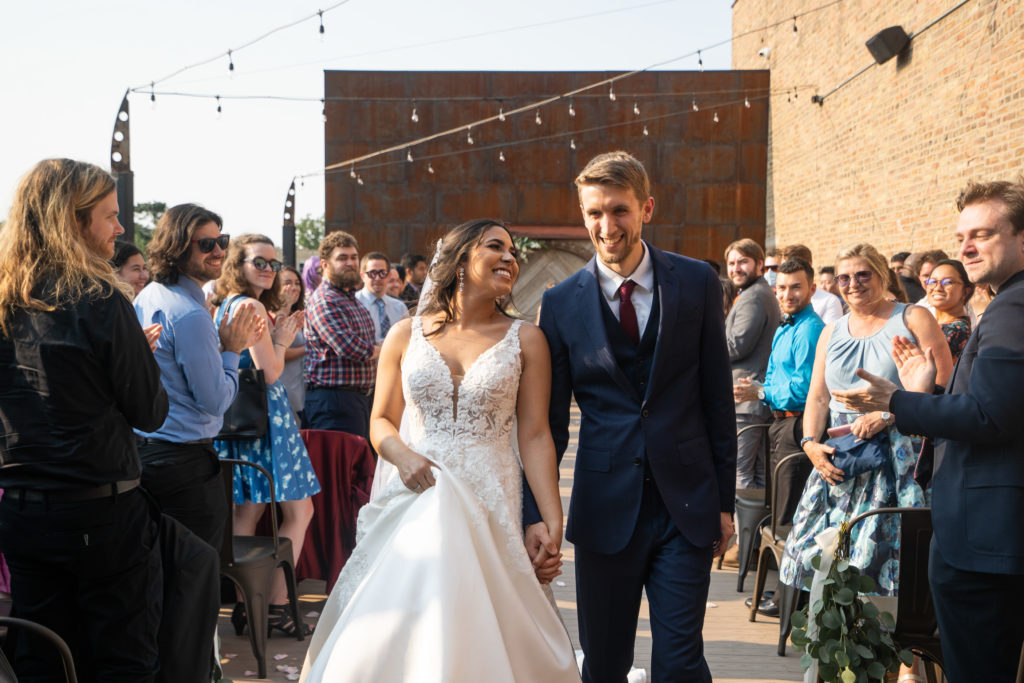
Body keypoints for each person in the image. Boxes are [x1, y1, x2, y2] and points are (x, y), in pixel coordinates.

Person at [300, 220, 579, 682]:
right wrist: (403, 456)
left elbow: (535, 436)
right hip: (416, 491)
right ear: (460, 259)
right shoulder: (404, 335)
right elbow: (381, 420)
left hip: (491, 494)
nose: (510, 258)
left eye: (513, 251)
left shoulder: (527, 339)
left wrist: (551, 521)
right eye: (496, 247)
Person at [531, 151, 736, 682]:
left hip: (686, 505)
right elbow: (548, 426)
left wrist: (725, 502)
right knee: (604, 663)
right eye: (594, 213)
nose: (606, 225)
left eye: (618, 210)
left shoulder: (695, 282)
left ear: (646, 207)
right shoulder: (559, 303)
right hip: (604, 508)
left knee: (679, 661)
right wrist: (537, 512)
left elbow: (717, 398)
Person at [831, 179, 1024, 683]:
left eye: (983, 234)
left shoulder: (1014, 307)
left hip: (986, 540)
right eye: (962, 235)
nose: (966, 247)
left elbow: (990, 417)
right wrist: (923, 395)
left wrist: (895, 403)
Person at [0, 158, 168, 682]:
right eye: (110, 216)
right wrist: (130, 363)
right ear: (72, 222)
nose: (120, 230)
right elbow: (150, 410)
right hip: (100, 511)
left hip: (24, 513)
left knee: (42, 659)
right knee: (121, 661)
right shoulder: (99, 298)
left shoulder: (6, 300)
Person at [780, 243, 952, 597]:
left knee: (894, 561)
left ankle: (900, 647)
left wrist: (890, 412)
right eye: (844, 277)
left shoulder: (913, 317)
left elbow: (946, 383)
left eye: (863, 275)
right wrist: (810, 444)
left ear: (882, 275)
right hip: (842, 455)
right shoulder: (831, 331)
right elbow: (817, 396)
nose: (852, 283)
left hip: (899, 453)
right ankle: (839, 641)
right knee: (828, 559)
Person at [211, 235, 320, 637]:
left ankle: (247, 608)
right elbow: (270, 372)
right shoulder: (251, 305)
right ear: (237, 264)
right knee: (299, 512)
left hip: (242, 421)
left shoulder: (227, 304)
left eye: (273, 264)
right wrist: (282, 339)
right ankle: (275, 606)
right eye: (259, 262)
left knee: (248, 513)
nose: (268, 270)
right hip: (268, 422)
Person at [733, 257, 824, 615]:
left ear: (812, 288)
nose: (787, 294)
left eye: (795, 287)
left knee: (790, 516)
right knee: (780, 511)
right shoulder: (786, 326)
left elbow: (803, 389)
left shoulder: (810, 329)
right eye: (781, 288)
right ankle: (781, 592)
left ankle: (791, 601)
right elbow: (775, 377)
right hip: (779, 422)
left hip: (799, 423)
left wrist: (759, 393)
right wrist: (760, 388)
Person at [304, 231, 378, 439]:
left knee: (356, 469)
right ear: (325, 264)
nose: (350, 263)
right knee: (338, 469)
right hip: (333, 403)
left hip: (357, 401)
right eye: (342, 258)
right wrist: (390, 349)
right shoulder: (324, 300)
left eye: (354, 257)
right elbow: (351, 347)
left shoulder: (350, 299)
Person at [726, 238, 780, 490]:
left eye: (742, 262)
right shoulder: (755, 293)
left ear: (759, 264)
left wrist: (704, 347)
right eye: (732, 263)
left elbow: (737, 344)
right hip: (753, 397)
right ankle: (755, 528)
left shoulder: (754, 297)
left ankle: (745, 530)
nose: (736, 268)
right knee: (756, 472)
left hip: (746, 397)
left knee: (740, 470)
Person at [274, 265, 307, 423]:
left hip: (299, 388)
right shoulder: (274, 316)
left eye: (297, 283)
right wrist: (309, 347)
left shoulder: (296, 314)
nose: (294, 287)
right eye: (287, 282)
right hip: (283, 388)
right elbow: (279, 352)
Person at [923, 259, 974, 360]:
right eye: (932, 282)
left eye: (947, 282)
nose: (937, 288)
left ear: (965, 292)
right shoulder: (933, 324)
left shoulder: (956, 329)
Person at [355, 251, 409, 343]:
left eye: (382, 273)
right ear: (362, 276)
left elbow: (407, 339)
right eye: (372, 273)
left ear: (389, 276)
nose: (378, 278)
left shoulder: (399, 307)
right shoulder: (354, 303)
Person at [782, 244, 843, 325]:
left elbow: (830, 336)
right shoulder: (779, 299)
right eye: (783, 267)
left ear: (809, 265)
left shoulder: (830, 301)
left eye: (794, 267)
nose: (787, 272)